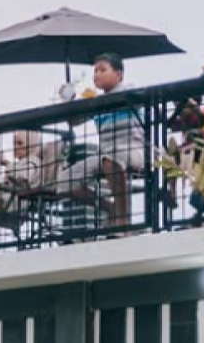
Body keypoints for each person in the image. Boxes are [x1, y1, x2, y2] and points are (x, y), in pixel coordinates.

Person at [57, 52, 146, 225]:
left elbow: (141, 99)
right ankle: (110, 208)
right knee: (64, 181)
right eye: (95, 71)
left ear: (118, 75)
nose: (97, 74)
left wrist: (94, 103)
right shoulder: (96, 101)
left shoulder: (128, 90)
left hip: (134, 148)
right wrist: (69, 100)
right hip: (106, 154)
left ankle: (122, 220)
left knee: (111, 158)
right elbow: (73, 122)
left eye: (102, 70)